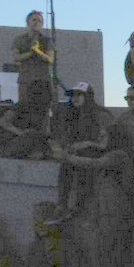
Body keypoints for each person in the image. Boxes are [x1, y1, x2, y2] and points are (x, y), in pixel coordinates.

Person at [51, 124, 134, 267]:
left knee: (111, 259)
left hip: (117, 215)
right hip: (109, 214)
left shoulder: (119, 156)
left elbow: (94, 164)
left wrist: (66, 156)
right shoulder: (114, 154)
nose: (100, 138)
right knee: (107, 259)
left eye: (103, 135)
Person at [54, 82, 114, 215]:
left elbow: (108, 142)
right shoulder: (73, 115)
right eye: (73, 95)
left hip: (101, 154)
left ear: (88, 96)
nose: (75, 98)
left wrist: (87, 144)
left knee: (83, 160)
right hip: (81, 153)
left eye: (80, 94)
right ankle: (62, 203)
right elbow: (67, 137)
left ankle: (82, 204)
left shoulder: (101, 114)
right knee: (67, 163)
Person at [0, 80, 53, 159]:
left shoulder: (43, 109)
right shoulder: (22, 106)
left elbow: (42, 132)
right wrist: (20, 132)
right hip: (11, 142)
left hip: (30, 140)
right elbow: (3, 121)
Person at [11, 10, 54, 113]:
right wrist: (31, 53)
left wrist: (38, 51)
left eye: (39, 21)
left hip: (42, 81)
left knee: (42, 110)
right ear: (28, 22)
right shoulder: (19, 39)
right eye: (34, 20)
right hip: (25, 80)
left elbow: (50, 59)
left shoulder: (47, 40)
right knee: (24, 108)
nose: (36, 22)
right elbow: (16, 57)